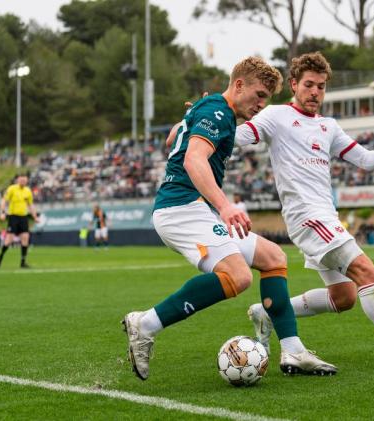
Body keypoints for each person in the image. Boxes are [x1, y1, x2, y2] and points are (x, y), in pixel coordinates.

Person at [122, 56, 336, 382]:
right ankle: (146, 324)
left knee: (273, 257)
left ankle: (292, 349)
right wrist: (225, 206)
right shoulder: (217, 111)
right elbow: (194, 159)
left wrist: (193, 117)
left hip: (192, 208)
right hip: (182, 209)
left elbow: (171, 140)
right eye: (259, 95)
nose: (262, 104)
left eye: (266, 98)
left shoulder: (213, 108)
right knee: (238, 277)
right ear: (239, 85)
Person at [236, 52, 374, 365]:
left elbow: (364, 159)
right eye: (309, 85)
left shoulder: (328, 126)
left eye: (321, 87)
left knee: (345, 297)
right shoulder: (275, 116)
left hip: (325, 217)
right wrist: (206, 119)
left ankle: (268, 312)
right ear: (294, 85)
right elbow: (238, 137)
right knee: (367, 272)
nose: (315, 92)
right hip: (308, 218)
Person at [0, 174, 39, 268]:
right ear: (18, 180)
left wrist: (35, 216)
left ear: (27, 181)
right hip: (13, 216)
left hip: (23, 217)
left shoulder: (28, 191)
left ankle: (23, 261)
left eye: (25, 180)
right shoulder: (12, 189)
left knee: (25, 238)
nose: (23, 181)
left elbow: (30, 205)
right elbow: (4, 200)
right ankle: (0, 256)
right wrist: (2, 212)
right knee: (9, 240)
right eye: (21, 180)